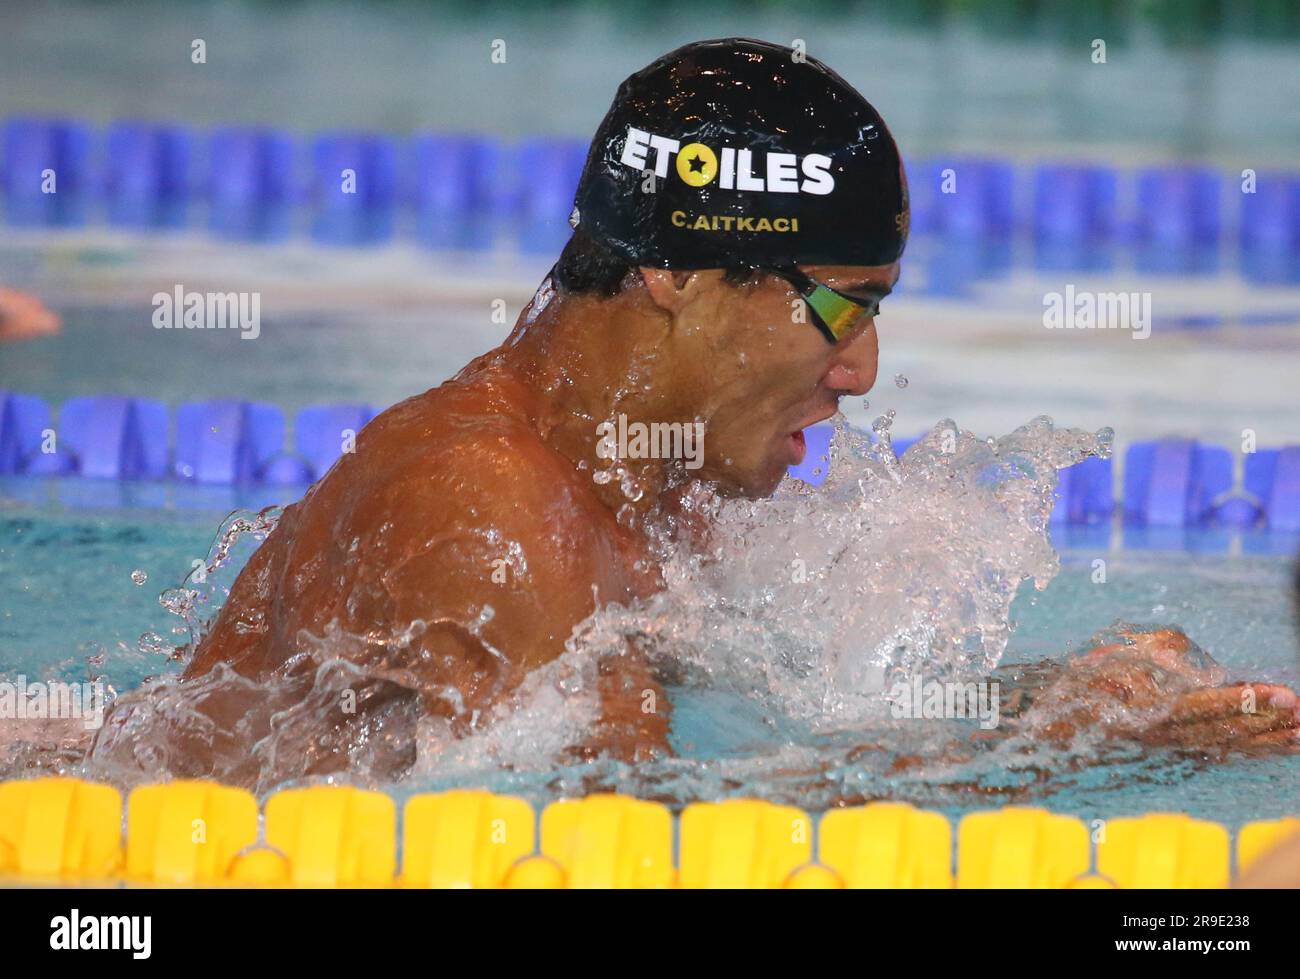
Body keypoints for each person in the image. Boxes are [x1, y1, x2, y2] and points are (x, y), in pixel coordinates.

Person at [149, 39, 1298, 776]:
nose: (862, 370)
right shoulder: (483, 508)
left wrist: (1065, 694)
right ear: (680, 274)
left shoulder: (655, 481)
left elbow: (753, 728)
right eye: (842, 310)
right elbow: (629, 855)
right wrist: (1064, 751)